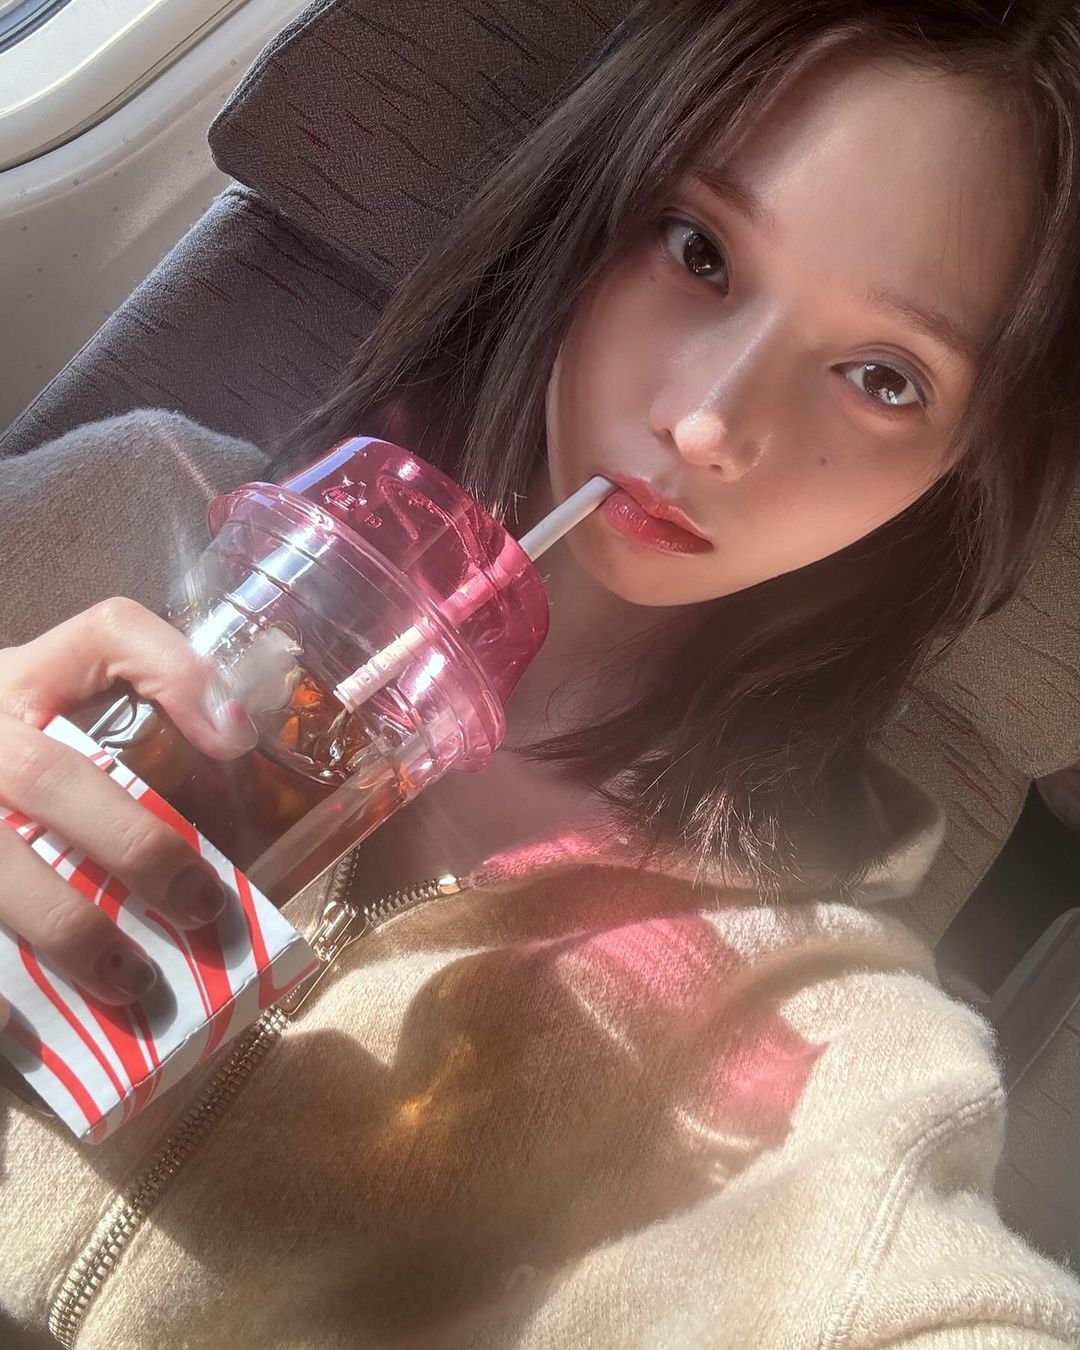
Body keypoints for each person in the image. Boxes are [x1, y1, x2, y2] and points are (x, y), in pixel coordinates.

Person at [3, 1, 1080, 1345]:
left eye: (883, 376)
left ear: (962, 465)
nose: (709, 421)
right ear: (596, 211)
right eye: (699, 250)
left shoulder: (814, 1025)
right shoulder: (130, 502)